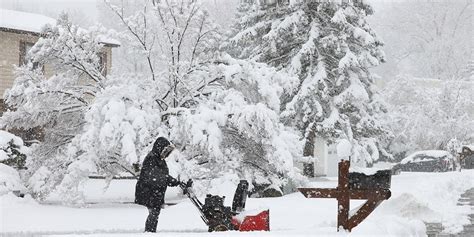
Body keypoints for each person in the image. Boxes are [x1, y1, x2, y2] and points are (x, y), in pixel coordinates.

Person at [135, 137, 180, 232]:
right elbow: (156, 176)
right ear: (160, 148)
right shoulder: (152, 158)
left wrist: (173, 181)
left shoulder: (159, 159)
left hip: (154, 191)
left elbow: (162, 175)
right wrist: (170, 180)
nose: (166, 154)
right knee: (154, 212)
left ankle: (150, 231)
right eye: (165, 151)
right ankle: (149, 232)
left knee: (155, 212)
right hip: (148, 191)